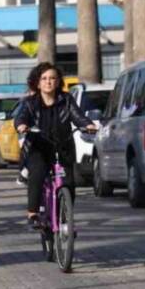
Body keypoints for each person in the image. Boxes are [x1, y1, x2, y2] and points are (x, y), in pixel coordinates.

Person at [15, 62, 97, 229]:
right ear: (37, 82)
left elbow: (78, 116)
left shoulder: (66, 99)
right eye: (44, 78)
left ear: (59, 81)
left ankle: (65, 216)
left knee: (68, 183)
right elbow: (21, 117)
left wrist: (87, 125)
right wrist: (22, 125)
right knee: (37, 173)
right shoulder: (30, 102)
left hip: (63, 147)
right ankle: (33, 214)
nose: (48, 82)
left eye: (53, 78)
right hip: (38, 147)